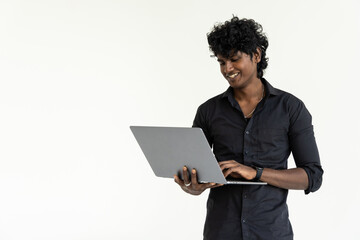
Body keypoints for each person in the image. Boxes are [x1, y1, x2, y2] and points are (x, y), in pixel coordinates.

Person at [174, 16, 323, 240]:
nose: (228, 69)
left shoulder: (291, 108)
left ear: (256, 55)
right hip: (221, 232)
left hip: (271, 233)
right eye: (222, 62)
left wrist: (256, 173)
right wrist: (192, 186)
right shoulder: (208, 111)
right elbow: (198, 170)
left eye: (234, 59)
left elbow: (312, 176)